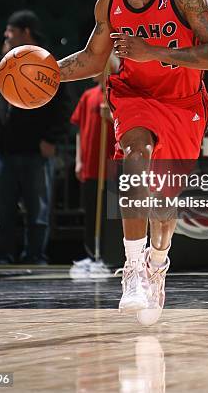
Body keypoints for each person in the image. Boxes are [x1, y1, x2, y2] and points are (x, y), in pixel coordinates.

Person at [56, 0, 208, 325]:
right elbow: (92, 59)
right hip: (133, 95)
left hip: (182, 101)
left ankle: (157, 261)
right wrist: (47, 73)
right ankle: (133, 270)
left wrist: (154, 51)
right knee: (135, 157)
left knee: (165, 207)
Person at [0, 10, 70, 264]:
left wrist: (52, 139)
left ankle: (35, 256)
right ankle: (2, 255)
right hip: (4, 149)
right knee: (0, 211)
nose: (5, 35)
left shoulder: (46, 62)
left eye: (10, 30)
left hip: (36, 150)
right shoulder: (5, 61)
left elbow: (64, 108)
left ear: (25, 32)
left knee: (38, 213)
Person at [69, 60, 117, 279]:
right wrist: (79, 160)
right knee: (91, 212)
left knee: (110, 214)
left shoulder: (116, 95)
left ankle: (109, 255)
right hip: (90, 165)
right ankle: (91, 254)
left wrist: (111, 116)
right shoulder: (87, 96)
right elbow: (80, 130)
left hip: (112, 166)